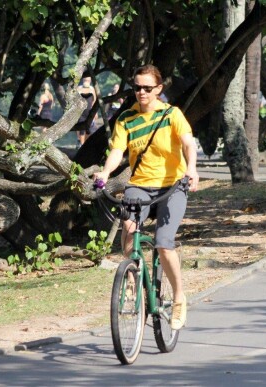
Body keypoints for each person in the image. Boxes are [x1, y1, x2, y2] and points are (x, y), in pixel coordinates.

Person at [93, 64, 199, 330]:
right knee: (128, 231)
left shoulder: (171, 114)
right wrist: (105, 172)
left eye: (147, 88)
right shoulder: (126, 119)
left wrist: (192, 169)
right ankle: (132, 280)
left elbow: (188, 143)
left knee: (164, 243)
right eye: (137, 87)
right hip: (139, 185)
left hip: (171, 187)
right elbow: (117, 151)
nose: (142, 92)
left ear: (158, 89)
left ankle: (178, 297)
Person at [77, 76, 97, 145]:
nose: (87, 81)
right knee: (81, 129)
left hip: (89, 112)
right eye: (86, 80)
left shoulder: (92, 89)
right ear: (83, 80)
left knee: (89, 129)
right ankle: (81, 144)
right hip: (81, 112)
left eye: (88, 80)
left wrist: (95, 112)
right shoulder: (79, 89)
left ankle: (85, 144)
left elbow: (94, 101)